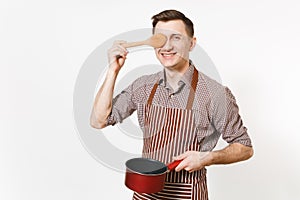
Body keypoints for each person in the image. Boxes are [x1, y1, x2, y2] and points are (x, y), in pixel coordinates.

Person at [90, 9, 253, 200]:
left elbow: (245, 147)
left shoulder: (215, 94)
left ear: (192, 43)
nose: (166, 46)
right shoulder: (143, 86)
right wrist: (113, 71)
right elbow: (98, 121)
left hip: (187, 194)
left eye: (176, 38)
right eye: (160, 38)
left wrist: (207, 157)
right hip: (145, 193)